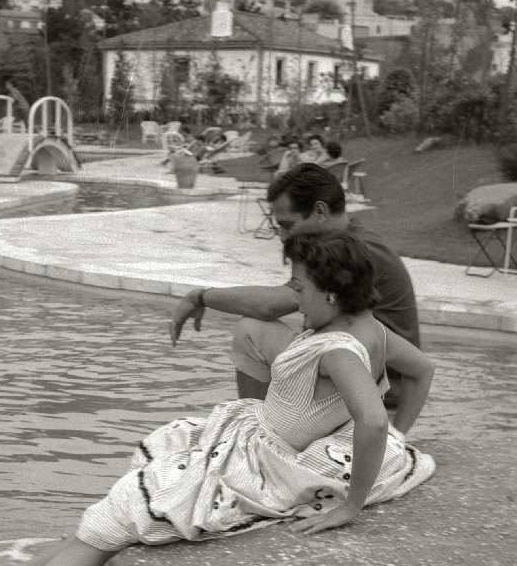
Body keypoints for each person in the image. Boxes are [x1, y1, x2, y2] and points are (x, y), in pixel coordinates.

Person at [0, 230, 436, 566]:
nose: (290, 296)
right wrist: (400, 435)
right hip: (265, 439)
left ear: (330, 294)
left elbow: (369, 419)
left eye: (297, 288)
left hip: (261, 462)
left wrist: (353, 503)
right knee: (120, 512)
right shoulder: (371, 331)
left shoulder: (337, 348)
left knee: (116, 519)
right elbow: (421, 371)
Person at [169, 164, 419, 402]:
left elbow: (269, 305)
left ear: (320, 211)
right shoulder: (347, 242)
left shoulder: (356, 252)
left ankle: (253, 431)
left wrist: (200, 296)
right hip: (360, 370)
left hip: (372, 387)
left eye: (287, 225)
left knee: (251, 332)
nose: (283, 236)